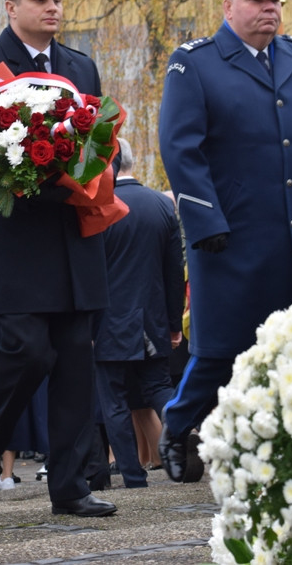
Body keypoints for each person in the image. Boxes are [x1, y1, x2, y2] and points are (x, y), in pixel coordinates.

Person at [157, 0, 292, 483]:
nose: (269, 10)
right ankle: (179, 426)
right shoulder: (194, 63)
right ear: (228, 6)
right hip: (230, 238)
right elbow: (182, 151)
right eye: (257, 1)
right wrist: (205, 221)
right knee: (220, 353)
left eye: (275, 1)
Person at [0, 0, 115, 518]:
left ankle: (70, 486)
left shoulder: (80, 66)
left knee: (74, 362)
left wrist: (91, 172)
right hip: (15, 241)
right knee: (27, 350)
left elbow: (100, 142)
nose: (53, 7)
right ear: (11, 4)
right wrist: (23, 174)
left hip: (73, 236)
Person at [93, 138, 185, 489]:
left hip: (109, 320)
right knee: (159, 386)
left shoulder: (100, 206)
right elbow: (174, 271)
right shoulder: (162, 206)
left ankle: (133, 475)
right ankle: (182, 429)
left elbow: (93, 271)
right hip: (152, 317)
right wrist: (174, 323)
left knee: (113, 399)